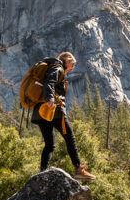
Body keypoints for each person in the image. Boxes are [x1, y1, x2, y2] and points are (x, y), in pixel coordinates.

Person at [32, 52, 95, 181]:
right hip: (53, 110)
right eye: (72, 65)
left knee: (49, 144)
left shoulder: (52, 67)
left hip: (40, 112)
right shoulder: (58, 68)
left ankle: (42, 172)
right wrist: (50, 99)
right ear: (67, 61)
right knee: (70, 137)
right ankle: (78, 169)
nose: (72, 68)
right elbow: (49, 82)